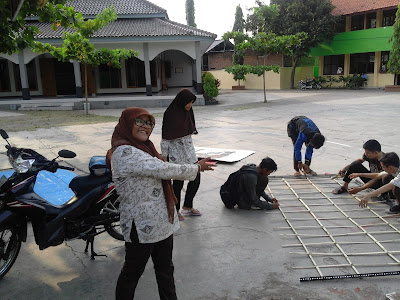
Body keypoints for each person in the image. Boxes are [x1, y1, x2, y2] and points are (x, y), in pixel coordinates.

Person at [108, 107, 214, 300]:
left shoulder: (145, 147)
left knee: (165, 269)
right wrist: (196, 167)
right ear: (127, 123)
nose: (145, 127)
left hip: (162, 221)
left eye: (149, 123)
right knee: (132, 273)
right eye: (139, 121)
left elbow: (161, 164)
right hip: (140, 225)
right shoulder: (123, 151)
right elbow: (162, 169)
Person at [161, 88, 201, 221]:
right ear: (182, 101)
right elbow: (165, 139)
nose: (190, 105)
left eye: (192, 103)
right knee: (178, 184)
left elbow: (189, 133)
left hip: (189, 152)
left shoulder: (188, 112)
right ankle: (176, 210)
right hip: (176, 155)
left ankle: (188, 206)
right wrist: (164, 158)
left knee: (196, 177)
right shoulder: (170, 114)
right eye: (189, 102)